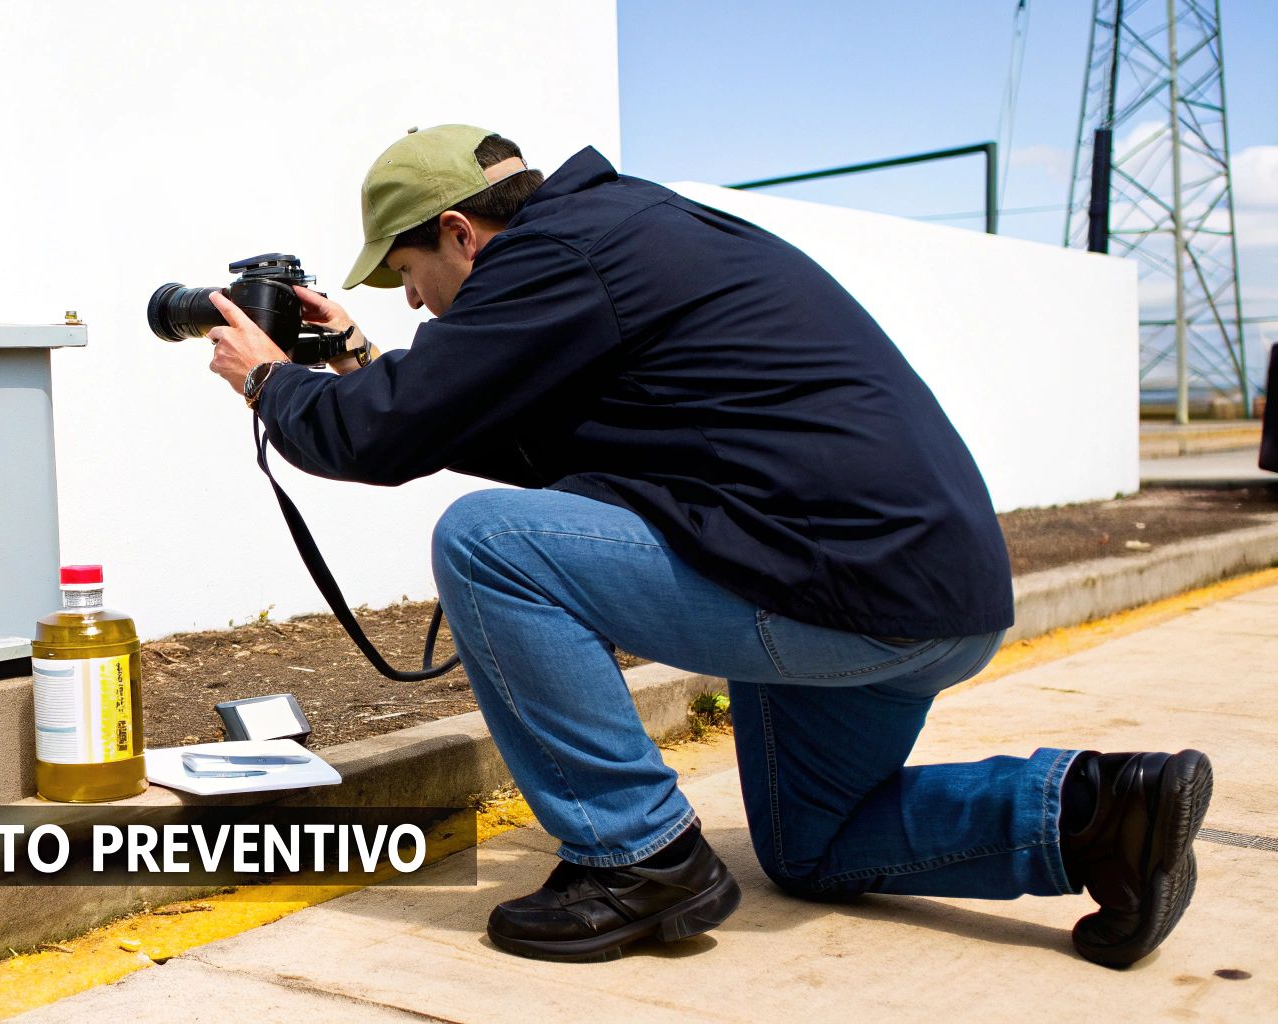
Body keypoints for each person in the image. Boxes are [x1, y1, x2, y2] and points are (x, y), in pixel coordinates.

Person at [203, 124, 1212, 967]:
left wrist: (267, 378)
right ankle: (1092, 809)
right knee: (812, 847)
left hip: (831, 579)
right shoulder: (621, 232)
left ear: (462, 233)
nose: (412, 303)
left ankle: (634, 855)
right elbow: (498, 429)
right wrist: (357, 362)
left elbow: (377, 438)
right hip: (919, 585)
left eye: (410, 277)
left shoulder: (556, 256)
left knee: (486, 544)